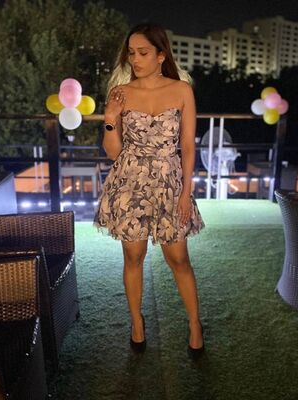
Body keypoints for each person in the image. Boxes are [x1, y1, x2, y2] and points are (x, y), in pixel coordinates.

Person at [94, 23, 205, 358]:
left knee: (179, 258)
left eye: (143, 52)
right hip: (129, 182)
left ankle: (195, 324)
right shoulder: (121, 92)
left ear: (161, 55)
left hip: (170, 182)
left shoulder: (182, 90)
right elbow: (113, 152)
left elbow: (188, 146)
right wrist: (110, 117)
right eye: (131, 53)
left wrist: (186, 192)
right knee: (133, 256)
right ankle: (137, 322)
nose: (135, 59)